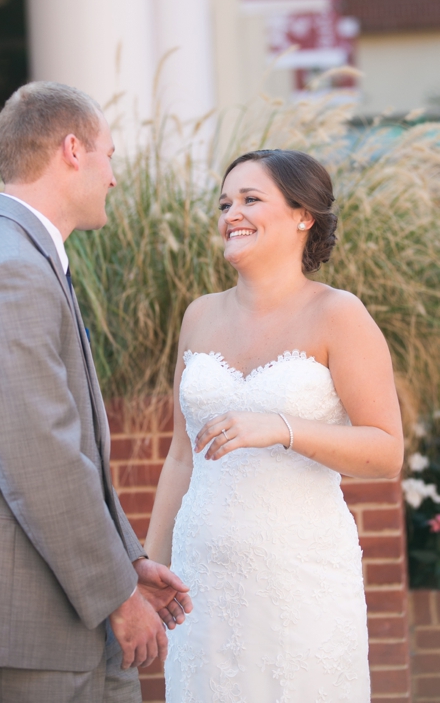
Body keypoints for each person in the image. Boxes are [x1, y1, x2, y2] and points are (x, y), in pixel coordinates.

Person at [0, 81, 193, 702]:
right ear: (72, 151)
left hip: (64, 617)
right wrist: (116, 595)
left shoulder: (20, 254)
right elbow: (42, 458)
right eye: (109, 154)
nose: (114, 176)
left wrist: (130, 562)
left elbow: (73, 448)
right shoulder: (9, 268)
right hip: (30, 628)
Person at [145, 149, 405, 700]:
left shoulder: (339, 314)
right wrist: (151, 566)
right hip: (203, 578)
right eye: (225, 202)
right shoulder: (199, 314)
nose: (231, 213)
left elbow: (386, 452)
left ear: (302, 215)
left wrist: (283, 426)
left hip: (300, 579)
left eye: (250, 199)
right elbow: (180, 456)